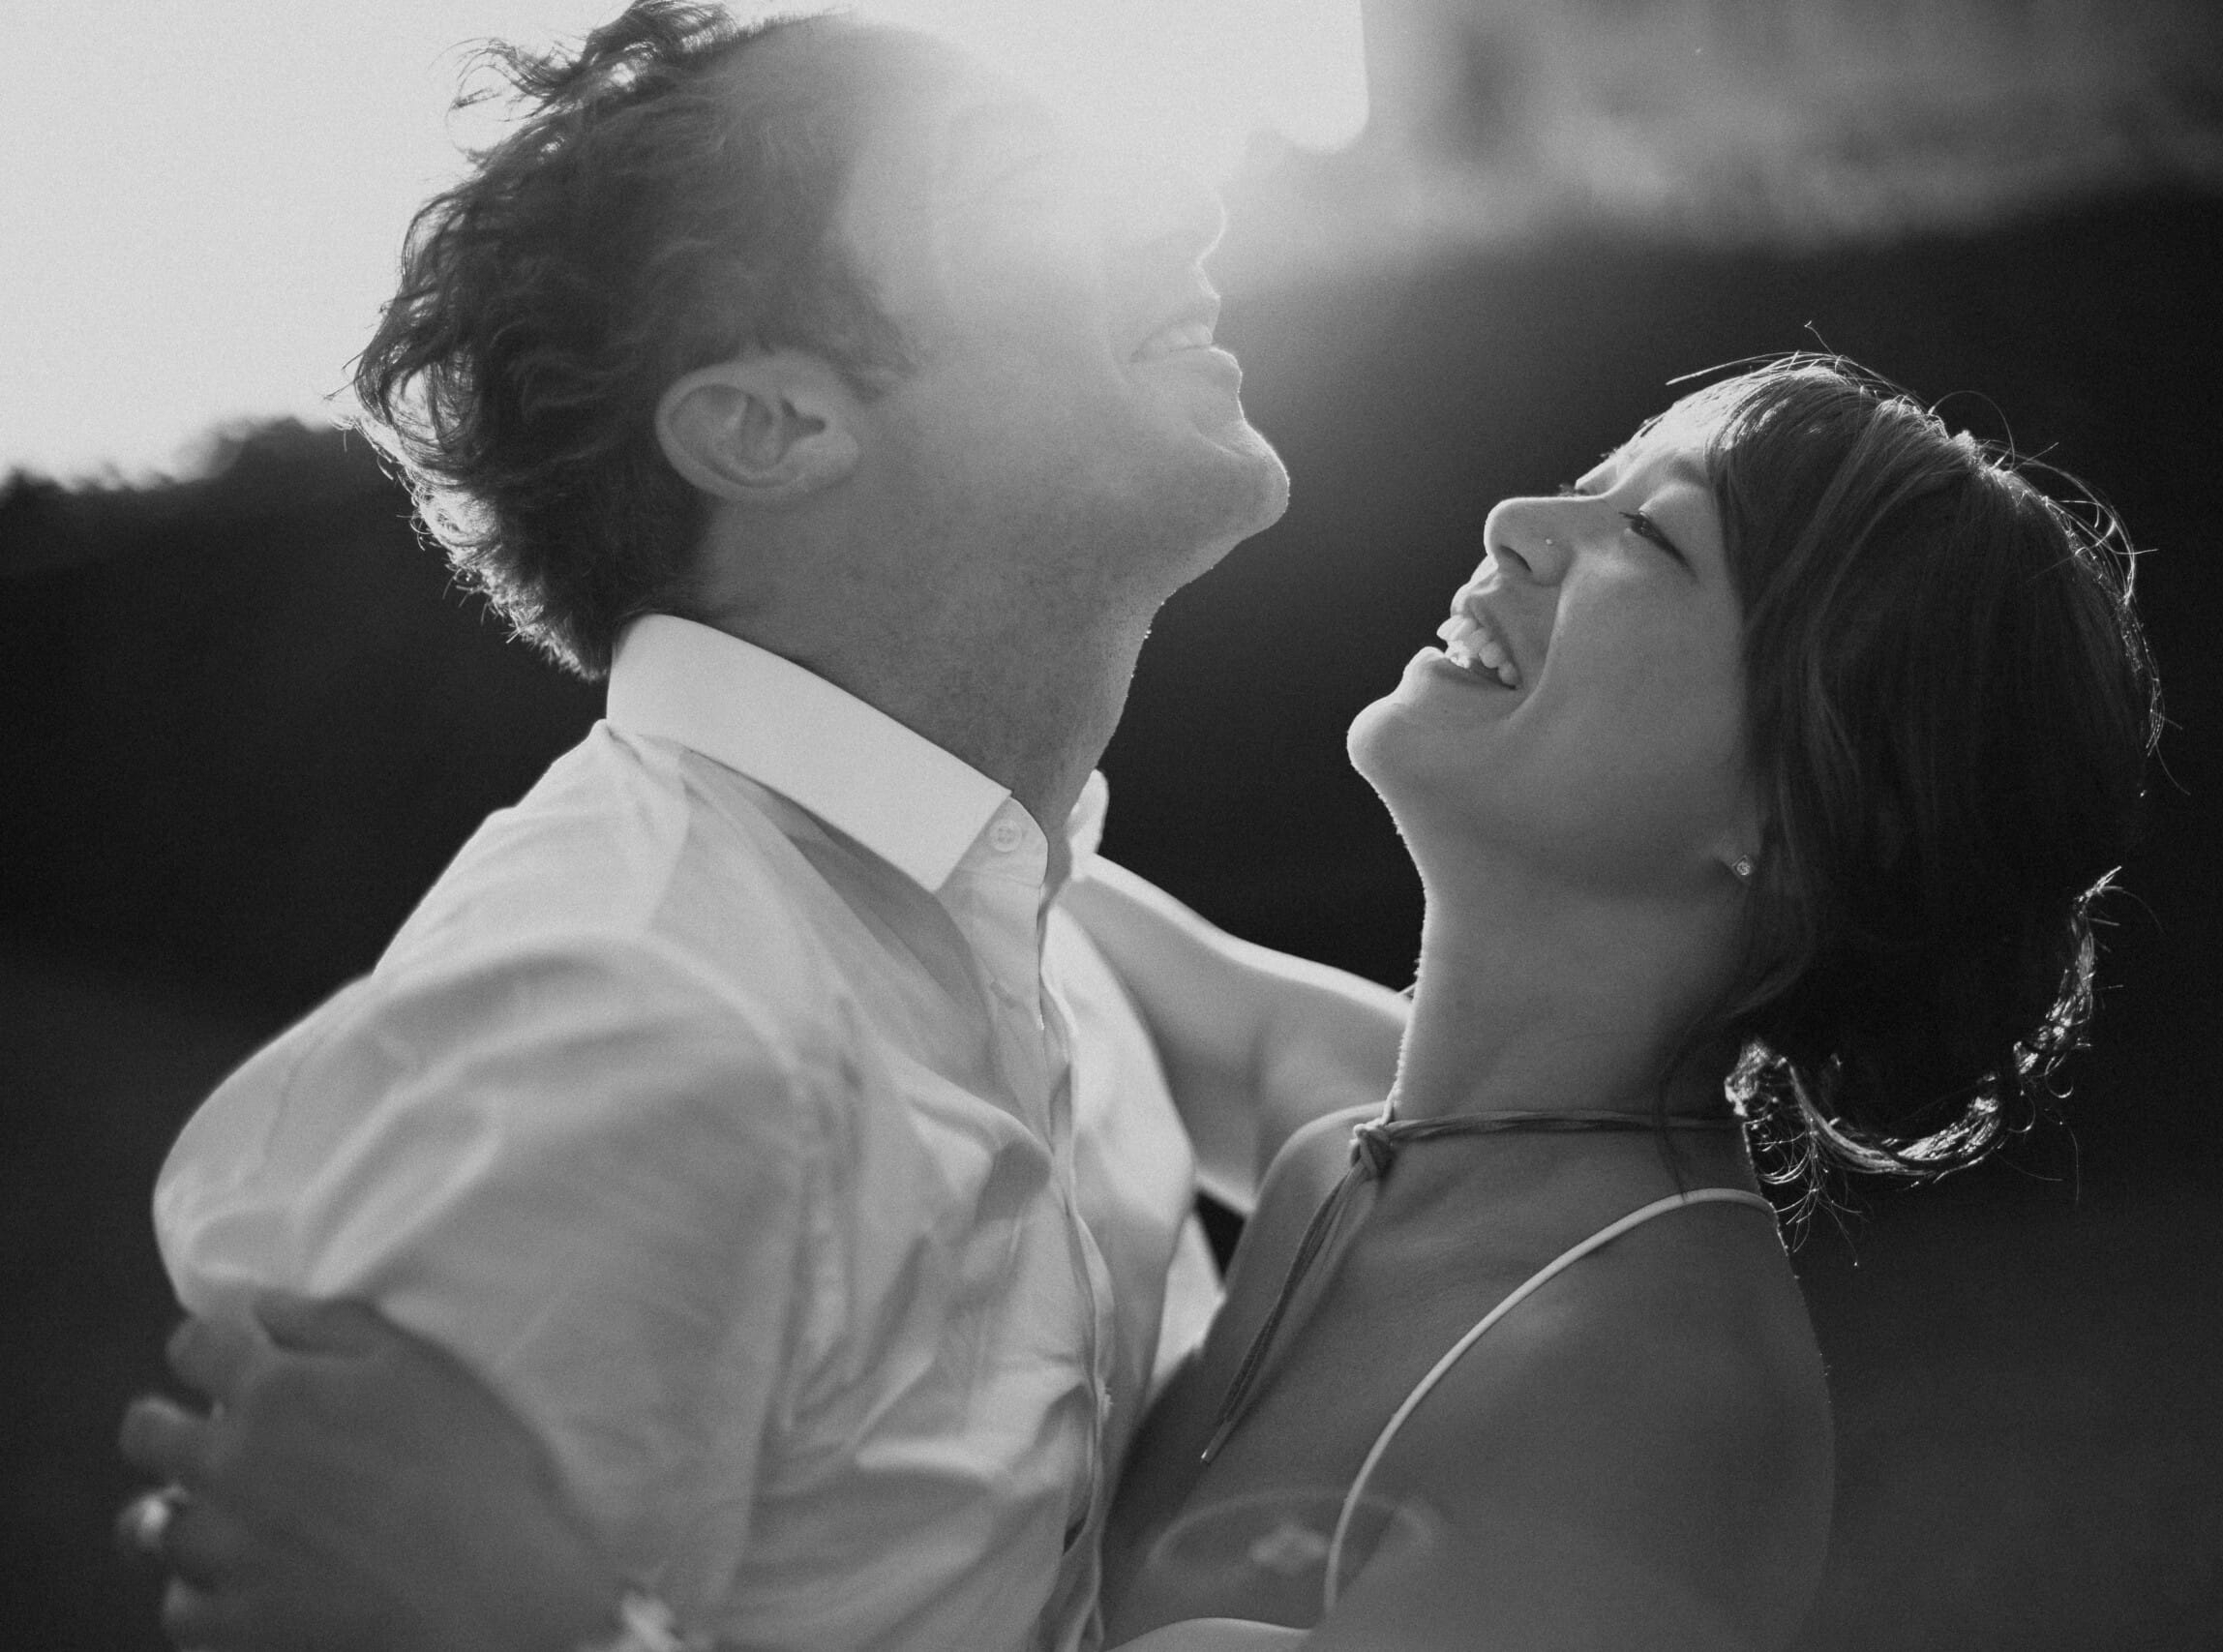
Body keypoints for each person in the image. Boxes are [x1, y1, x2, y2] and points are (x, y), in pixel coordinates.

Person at [123, 354, 2159, 1650]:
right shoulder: (1370, 1119)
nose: (1518, 523)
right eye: (1586, 473)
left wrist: (536, 1619)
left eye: (1643, 536)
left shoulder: (1645, 1402)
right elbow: (988, 851)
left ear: (1788, 812)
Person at [113, 5, 1411, 1650]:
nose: (1188, 204)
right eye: (1020, 185)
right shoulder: (624, 1021)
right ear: (772, 427)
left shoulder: (1036, 937)